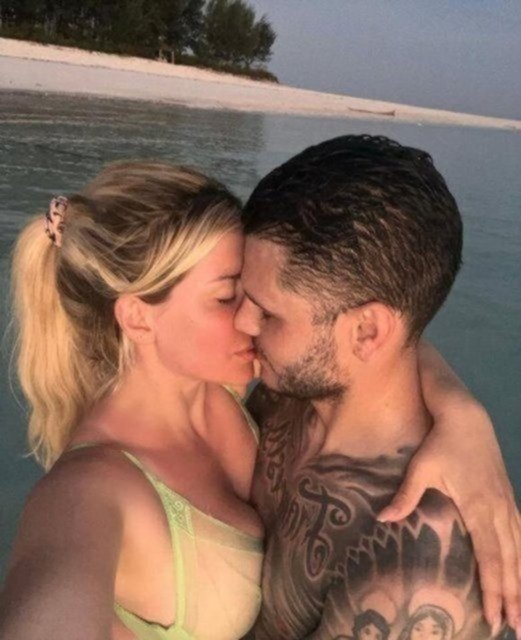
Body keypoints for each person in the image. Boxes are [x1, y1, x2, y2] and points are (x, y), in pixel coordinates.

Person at [0, 156, 518, 640]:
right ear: (137, 317)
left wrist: (462, 414)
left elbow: (371, 331)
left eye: (258, 300)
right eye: (228, 296)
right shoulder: (88, 490)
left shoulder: (234, 388)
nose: (250, 320)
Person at [235, 135, 519, 639]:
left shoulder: (414, 560)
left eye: (268, 313)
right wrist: (463, 409)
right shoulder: (285, 394)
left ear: (367, 331)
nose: (241, 322)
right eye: (239, 295)